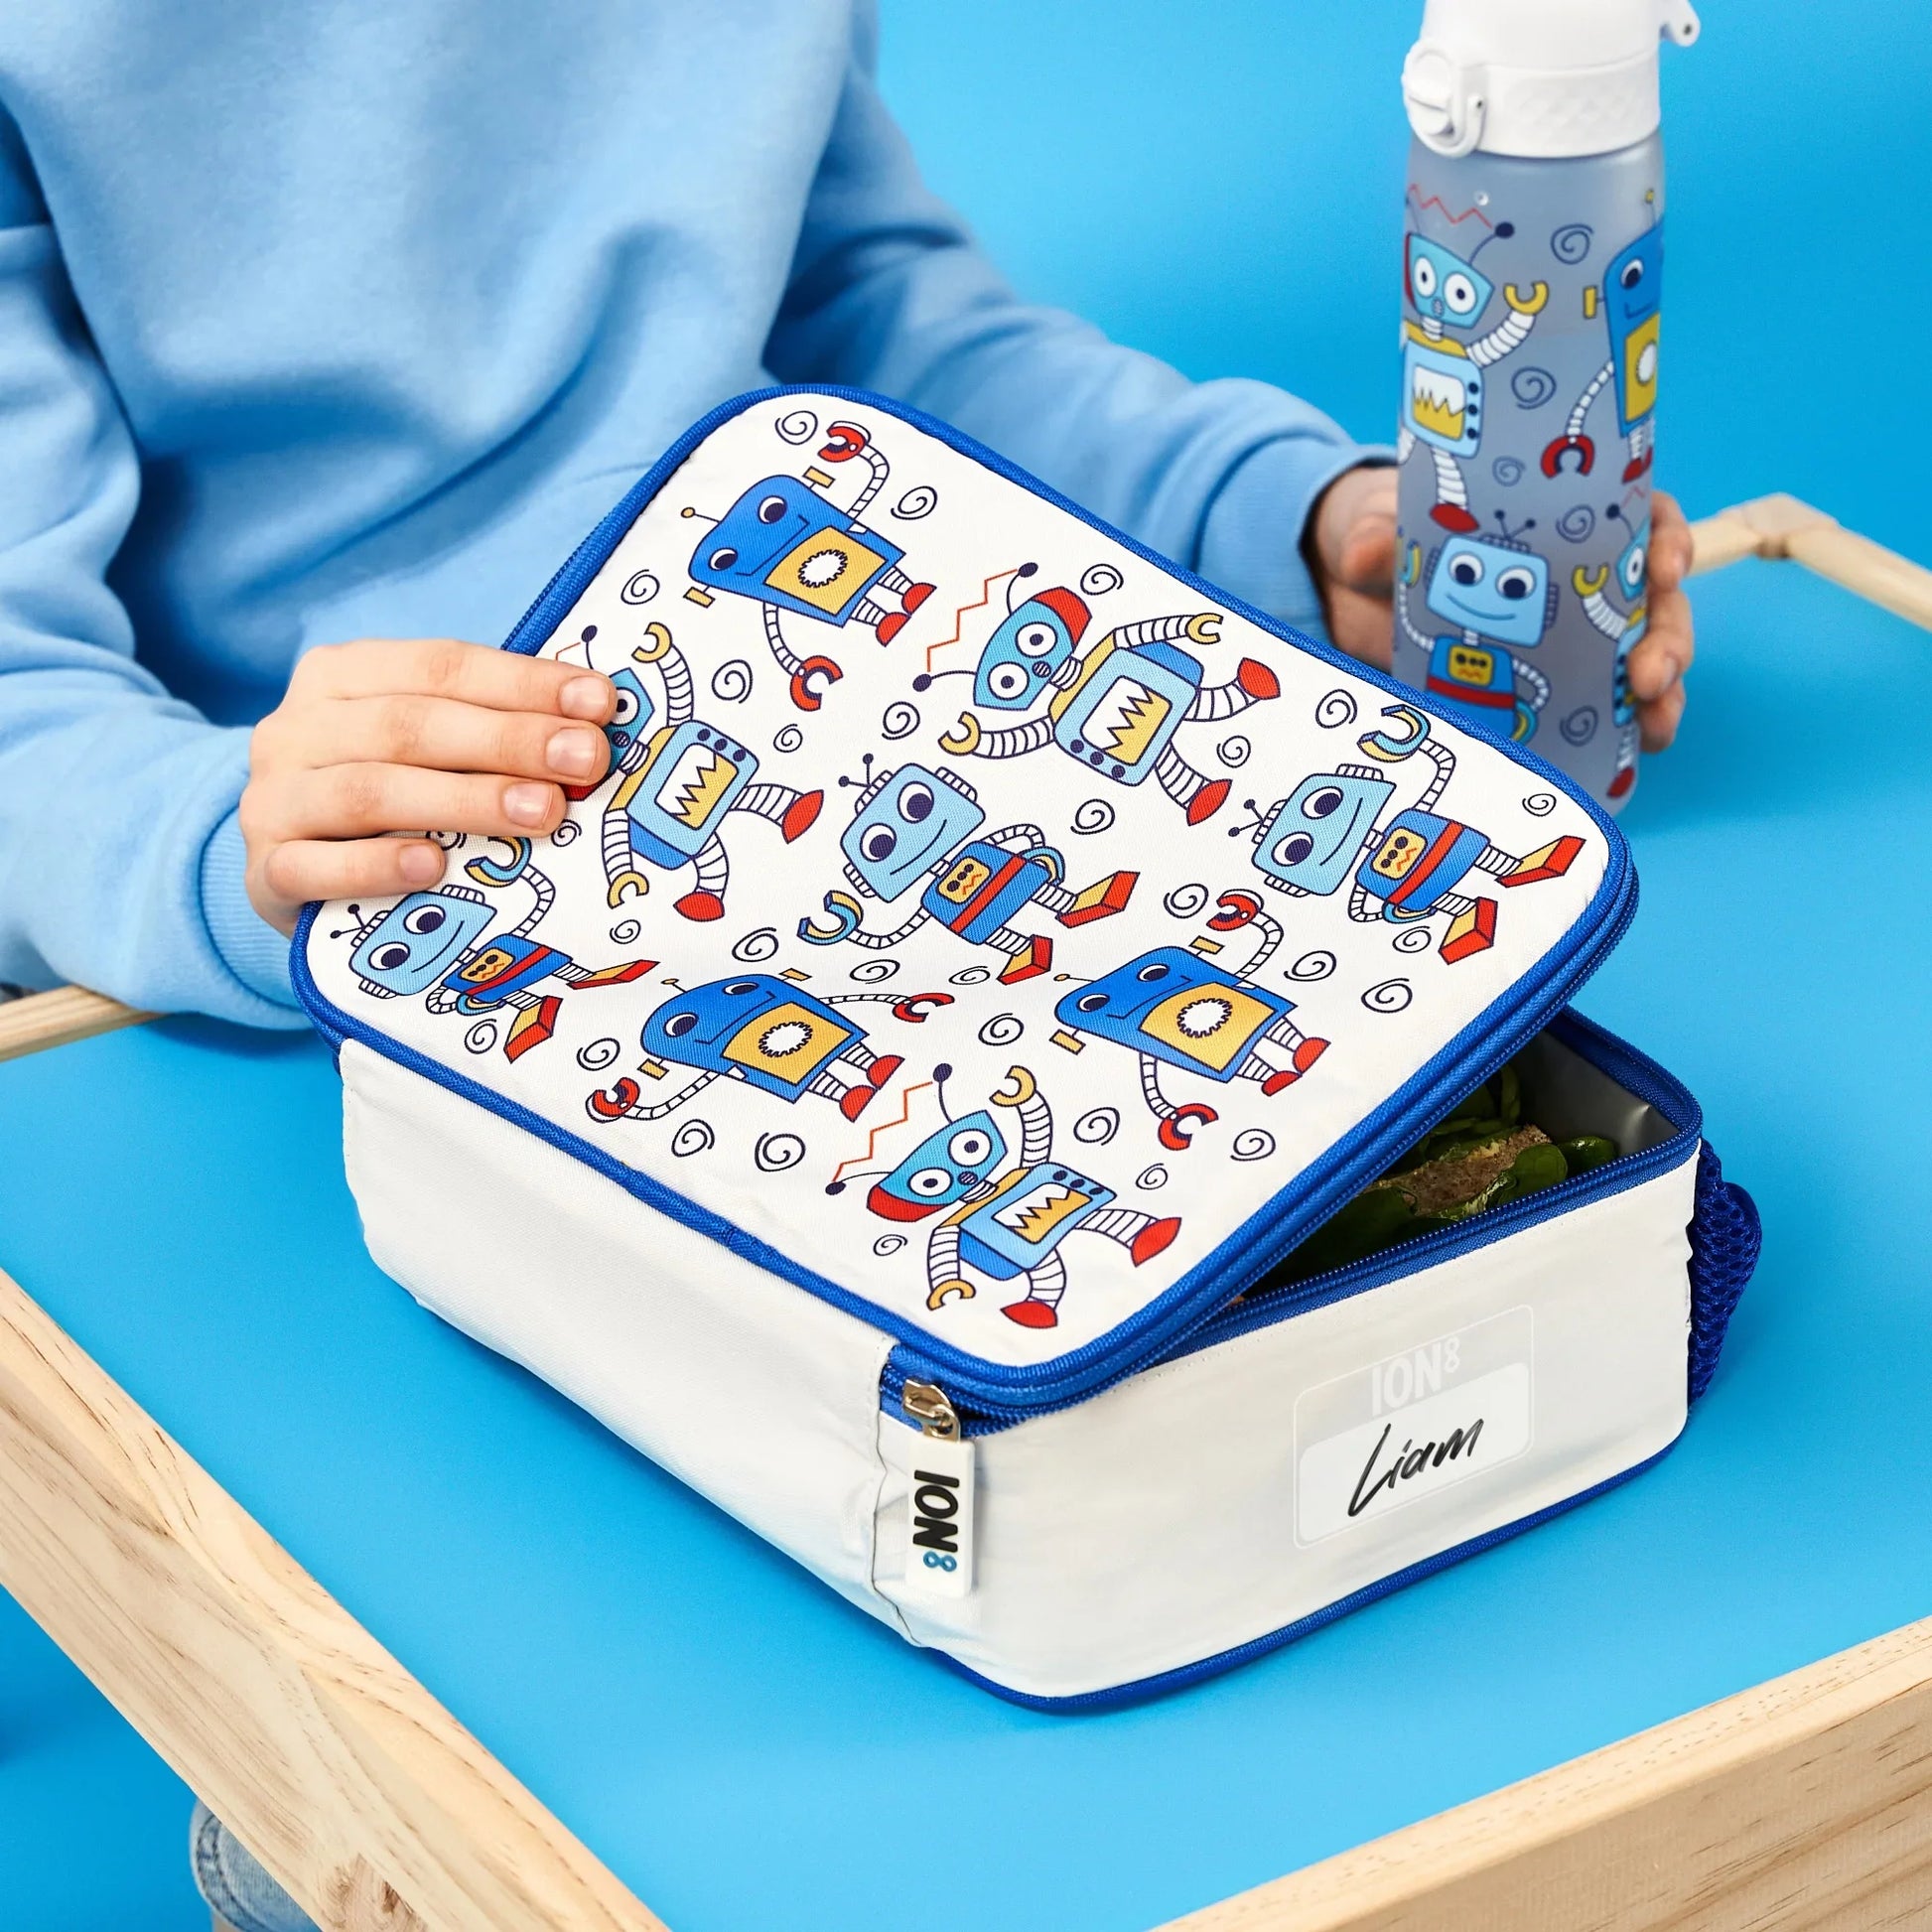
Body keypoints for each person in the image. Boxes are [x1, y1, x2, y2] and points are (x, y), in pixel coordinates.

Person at [0, 6, 1693, 1927]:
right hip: (359, 939)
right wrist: (212, 838)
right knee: (475, 1744)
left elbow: (871, 320)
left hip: (862, 775)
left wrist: (1278, 516)